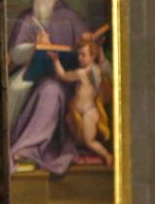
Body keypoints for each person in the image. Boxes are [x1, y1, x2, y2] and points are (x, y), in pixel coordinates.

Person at [7, 0, 91, 174]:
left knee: (51, 91)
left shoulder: (71, 17)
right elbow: (14, 54)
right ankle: (24, 147)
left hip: (65, 84)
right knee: (22, 89)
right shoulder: (27, 18)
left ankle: (28, 148)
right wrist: (35, 47)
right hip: (31, 82)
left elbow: (89, 53)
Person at [48, 38, 111, 166]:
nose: (79, 58)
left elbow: (102, 85)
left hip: (89, 112)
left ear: (93, 56)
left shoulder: (94, 71)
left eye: (83, 55)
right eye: (79, 55)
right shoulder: (80, 72)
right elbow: (64, 76)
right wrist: (55, 60)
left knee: (89, 141)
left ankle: (107, 155)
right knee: (72, 132)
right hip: (77, 112)